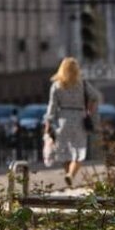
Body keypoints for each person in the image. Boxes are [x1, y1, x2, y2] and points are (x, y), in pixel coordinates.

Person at [43, 57, 99, 188]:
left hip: (62, 120)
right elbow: (94, 97)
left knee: (64, 152)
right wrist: (89, 110)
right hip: (79, 119)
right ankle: (71, 175)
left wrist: (48, 124)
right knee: (78, 152)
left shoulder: (57, 85)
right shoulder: (82, 84)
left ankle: (68, 174)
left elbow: (51, 107)